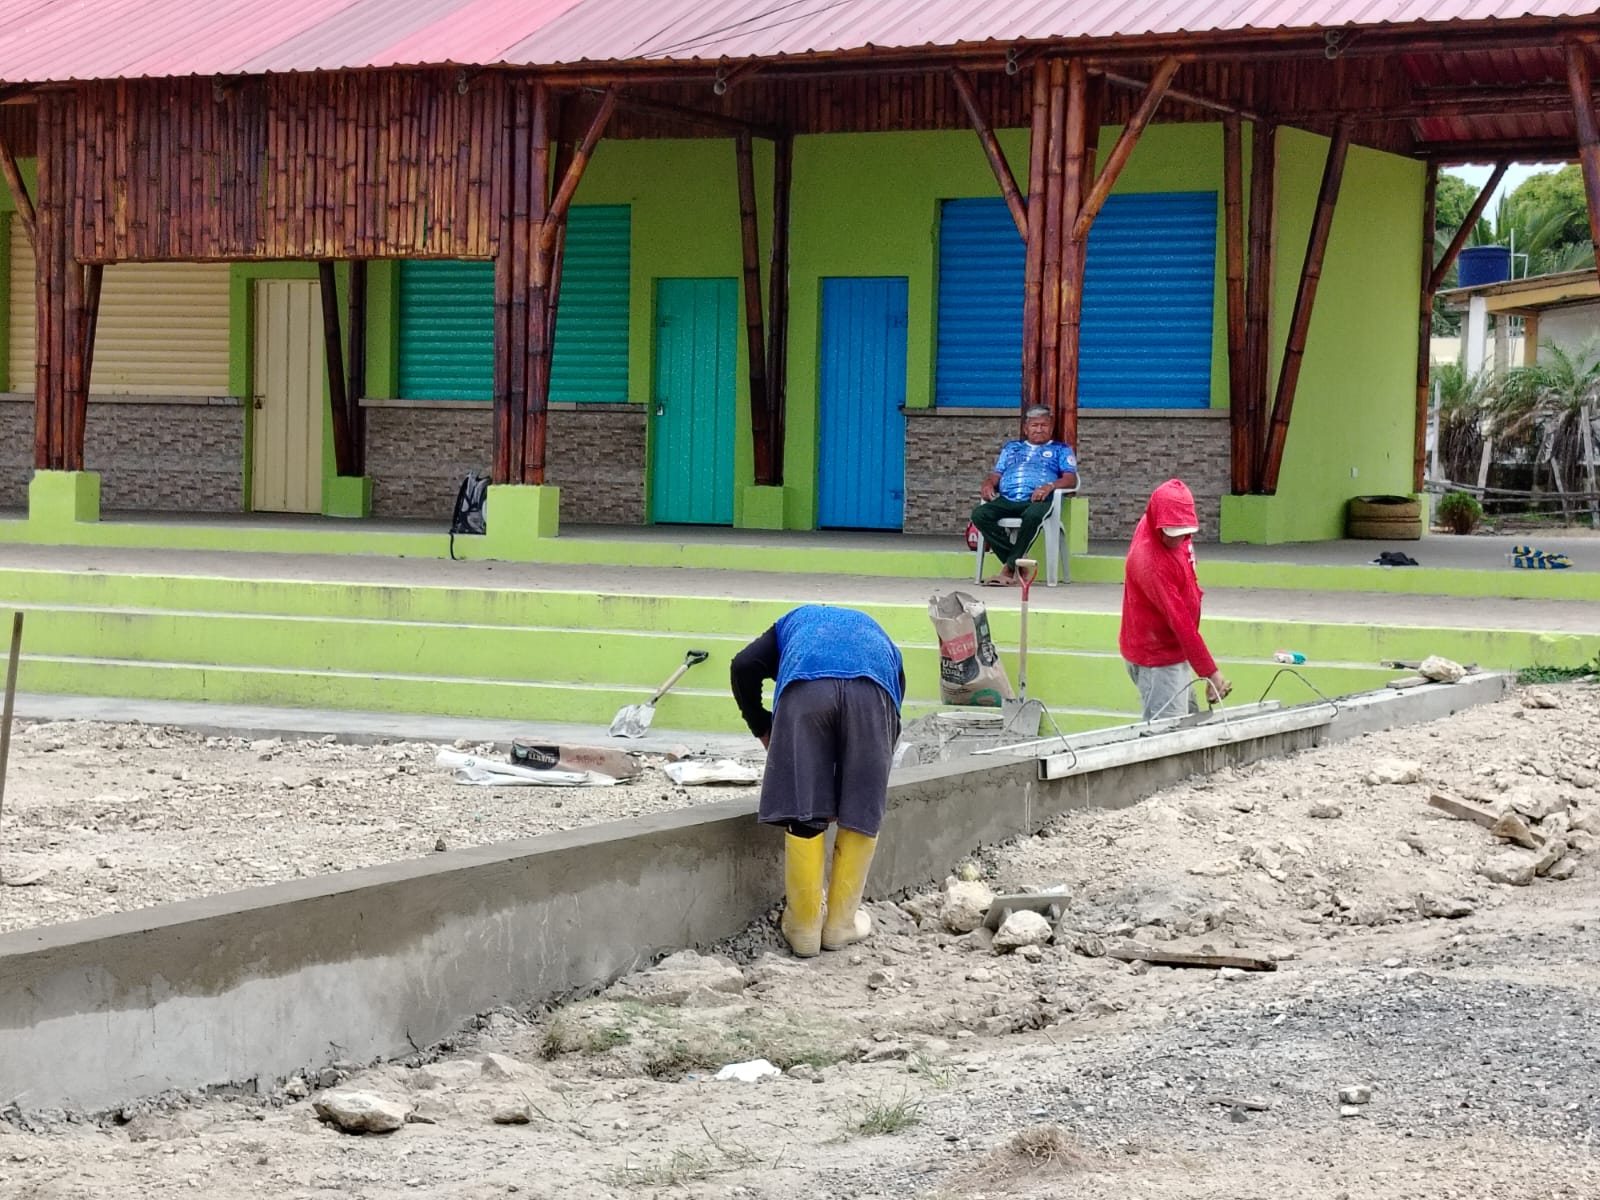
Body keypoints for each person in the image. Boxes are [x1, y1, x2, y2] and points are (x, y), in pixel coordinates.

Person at [730, 605, 905, 958]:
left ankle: (804, 928)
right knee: (862, 807)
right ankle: (841, 924)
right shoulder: (879, 637)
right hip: (874, 693)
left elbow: (743, 666)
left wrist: (761, 724)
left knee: (804, 806)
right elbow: (892, 709)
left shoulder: (787, 627)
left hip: (805, 691)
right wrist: (853, 783)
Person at [1119, 479, 1232, 722]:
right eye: (1171, 533)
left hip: (1174, 651)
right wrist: (1210, 672)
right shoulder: (1151, 563)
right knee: (1166, 732)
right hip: (1159, 659)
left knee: (1189, 722)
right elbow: (1180, 622)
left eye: (1183, 533)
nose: (1177, 540)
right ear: (1157, 523)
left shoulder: (1168, 527)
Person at [971, 405, 1078, 586]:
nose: (1039, 429)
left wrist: (1049, 486)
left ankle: (1008, 569)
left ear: (1051, 427)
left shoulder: (1061, 449)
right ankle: (1017, 563)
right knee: (979, 514)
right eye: (1035, 425)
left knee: (1033, 515)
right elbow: (997, 474)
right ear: (1026, 428)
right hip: (1007, 499)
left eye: (1044, 425)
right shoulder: (1012, 448)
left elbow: (1070, 479)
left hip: (1038, 500)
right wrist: (988, 483)